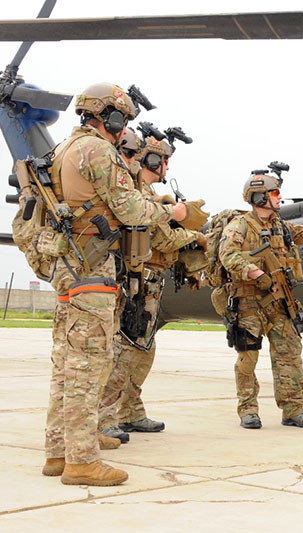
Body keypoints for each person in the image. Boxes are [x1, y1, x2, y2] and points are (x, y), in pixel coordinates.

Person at [42, 83, 205, 486]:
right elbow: (129, 207)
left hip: (70, 263)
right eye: (123, 119)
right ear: (110, 116)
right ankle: (81, 461)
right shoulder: (97, 150)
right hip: (92, 266)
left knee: (67, 364)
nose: (124, 128)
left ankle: (58, 452)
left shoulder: (66, 147)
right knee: (88, 366)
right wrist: (176, 211)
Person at [99, 132, 208, 441]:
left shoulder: (147, 193)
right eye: (164, 162)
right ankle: (104, 417)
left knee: (143, 351)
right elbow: (162, 239)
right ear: (152, 160)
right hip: (137, 283)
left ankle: (130, 411)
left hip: (151, 283)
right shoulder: (138, 195)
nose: (167, 169)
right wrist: (195, 237)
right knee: (127, 351)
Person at [219, 171, 303, 429]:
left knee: (289, 355)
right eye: (275, 193)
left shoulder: (281, 226)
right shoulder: (239, 226)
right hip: (249, 303)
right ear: (259, 197)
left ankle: (292, 410)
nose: (279, 198)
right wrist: (256, 272)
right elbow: (228, 256)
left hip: (279, 303)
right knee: (248, 358)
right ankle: (248, 411)